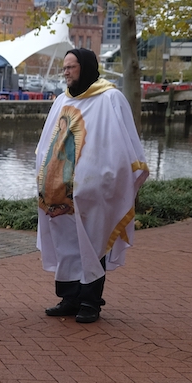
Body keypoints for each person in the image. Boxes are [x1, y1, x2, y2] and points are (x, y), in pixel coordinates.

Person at [37, 48, 148, 323]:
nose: (65, 72)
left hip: (94, 191)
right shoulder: (62, 100)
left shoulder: (110, 98)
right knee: (66, 244)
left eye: (71, 67)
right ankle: (69, 298)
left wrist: (104, 178)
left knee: (92, 241)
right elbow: (46, 144)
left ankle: (90, 302)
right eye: (64, 67)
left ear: (85, 68)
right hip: (60, 190)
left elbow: (123, 145)